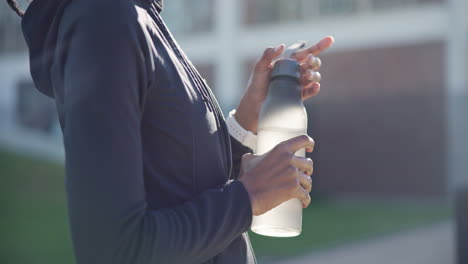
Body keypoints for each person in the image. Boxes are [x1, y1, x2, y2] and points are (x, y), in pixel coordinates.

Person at [8, 0, 334, 263]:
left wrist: (251, 112)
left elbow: (182, 182)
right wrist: (248, 197)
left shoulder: (137, 16)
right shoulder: (106, 19)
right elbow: (115, 251)